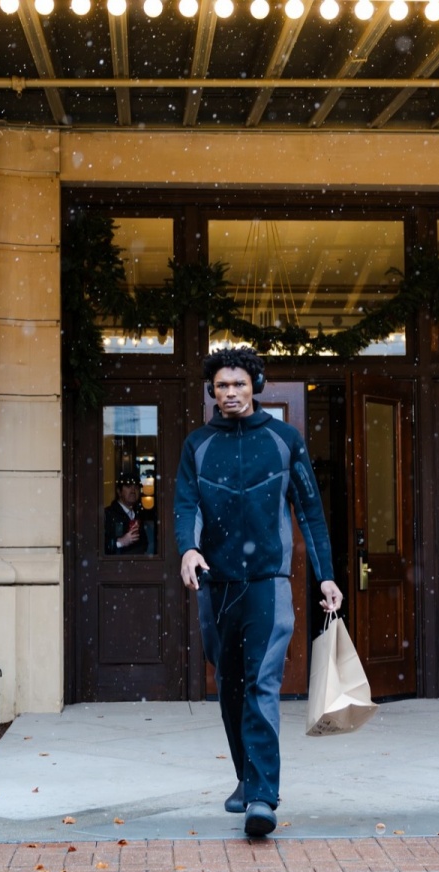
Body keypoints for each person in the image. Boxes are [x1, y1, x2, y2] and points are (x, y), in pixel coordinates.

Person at [174, 346, 343, 837]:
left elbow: (310, 512)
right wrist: (188, 549)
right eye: (222, 386)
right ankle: (246, 779)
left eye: (239, 384)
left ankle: (263, 797)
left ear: (256, 386)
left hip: (269, 584)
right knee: (229, 684)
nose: (231, 393)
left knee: (262, 684)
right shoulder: (197, 444)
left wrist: (326, 574)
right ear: (213, 391)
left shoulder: (285, 440)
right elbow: (186, 505)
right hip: (216, 585)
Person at [104, 472, 149, 555]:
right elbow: (97, 545)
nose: (133, 491)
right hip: (115, 562)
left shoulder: (139, 514)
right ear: (119, 491)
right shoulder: (108, 514)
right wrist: (119, 542)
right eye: (128, 487)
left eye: (136, 487)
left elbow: (145, 544)